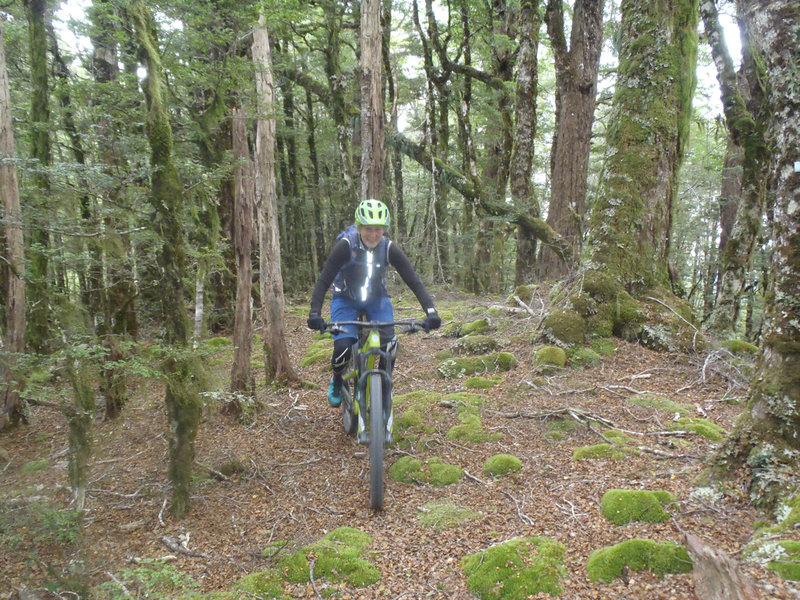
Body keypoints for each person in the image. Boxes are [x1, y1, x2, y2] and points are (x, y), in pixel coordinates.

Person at [307, 199, 441, 407]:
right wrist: (315, 313)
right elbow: (324, 279)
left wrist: (430, 311)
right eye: (368, 229)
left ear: (384, 229)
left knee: (389, 344)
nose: (373, 234)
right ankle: (337, 379)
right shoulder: (346, 246)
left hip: (377, 300)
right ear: (359, 227)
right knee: (342, 348)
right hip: (345, 300)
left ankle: (384, 387)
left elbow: (412, 280)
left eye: (378, 229)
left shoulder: (387, 248)